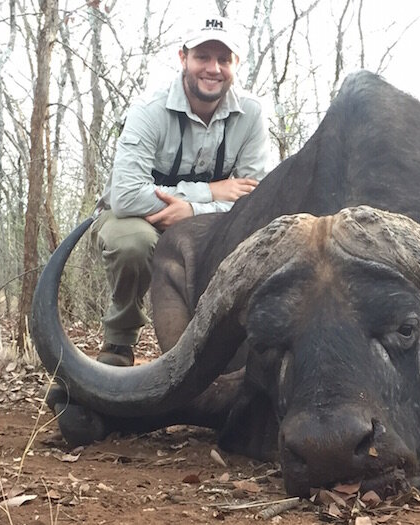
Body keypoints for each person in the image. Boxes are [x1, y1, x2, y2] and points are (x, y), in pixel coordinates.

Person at [91, 15, 270, 366]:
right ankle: (119, 344)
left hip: (204, 222)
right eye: (202, 57)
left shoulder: (251, 114)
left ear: (237, 65)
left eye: (224, 59)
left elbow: (256, 200)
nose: (213, 68)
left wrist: (192, 211)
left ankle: (230, 348)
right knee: (133, 243)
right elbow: (126, 195)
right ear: (182, 58)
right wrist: (209, 192)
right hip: (138, 214)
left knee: (256, 244)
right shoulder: (148, 111)